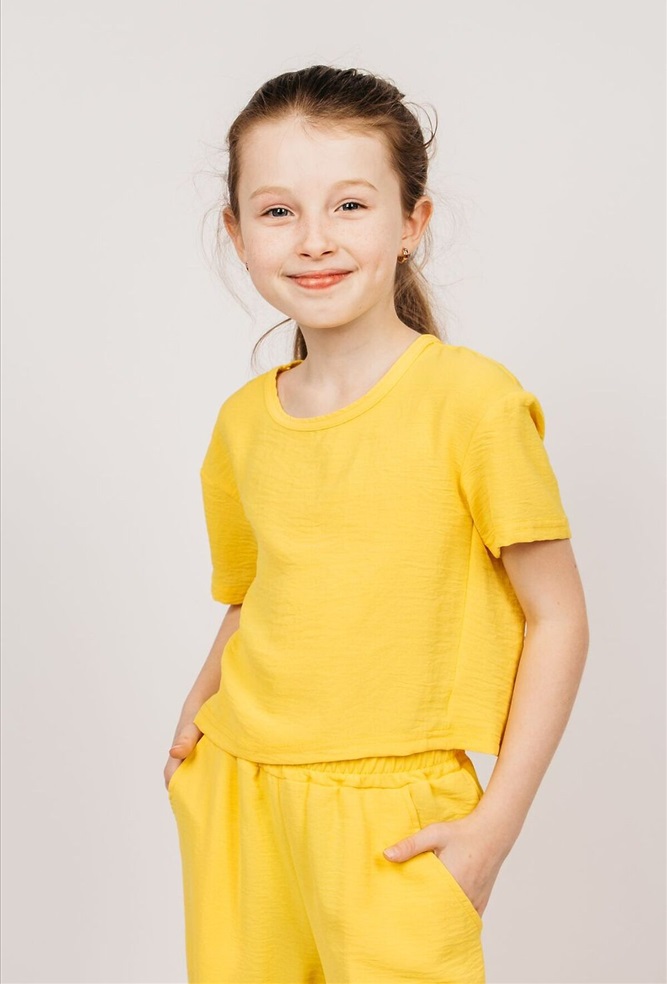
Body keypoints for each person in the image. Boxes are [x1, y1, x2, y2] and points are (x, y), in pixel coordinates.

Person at [164, 65, 589, 984]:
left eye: (350, 205)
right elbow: (254, 594)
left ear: (411, 223)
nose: (313, 239)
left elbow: (557, 616)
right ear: (236, 233)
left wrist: (493, 830)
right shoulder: (243, 422)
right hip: (238, 789)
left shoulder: (471, 403)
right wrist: (192, 728)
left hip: (391, 813)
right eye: (277, 211)